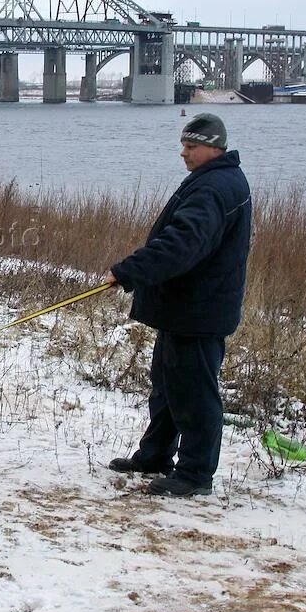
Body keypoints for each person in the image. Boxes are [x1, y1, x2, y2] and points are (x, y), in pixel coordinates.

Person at [104, 113, 252, 497]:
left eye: (191, 146)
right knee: (168, 389)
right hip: (183, 309)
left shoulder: (215, 189)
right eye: (183, 145)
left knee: (195, 396)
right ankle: (154, 456)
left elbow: (180, 245)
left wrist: (128, 271)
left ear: (214, 147)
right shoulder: (211, 180)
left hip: (199, 312)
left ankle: (195, 475)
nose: (183, 153)